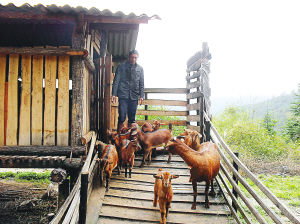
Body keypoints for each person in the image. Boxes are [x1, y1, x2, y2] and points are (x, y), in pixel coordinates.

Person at [112, 50, 144, 132]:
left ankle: (131, 138)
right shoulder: (121, 67)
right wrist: (114, 94)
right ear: (129, 57)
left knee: (132, 118)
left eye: (135, 58)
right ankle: (119, 135)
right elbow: (116, 81)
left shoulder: (140, 69)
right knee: (122, 116)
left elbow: (141, 83)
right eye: (132, 57)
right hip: (123, 94)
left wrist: (141, 96)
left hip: (134, 95)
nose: (133, 59)